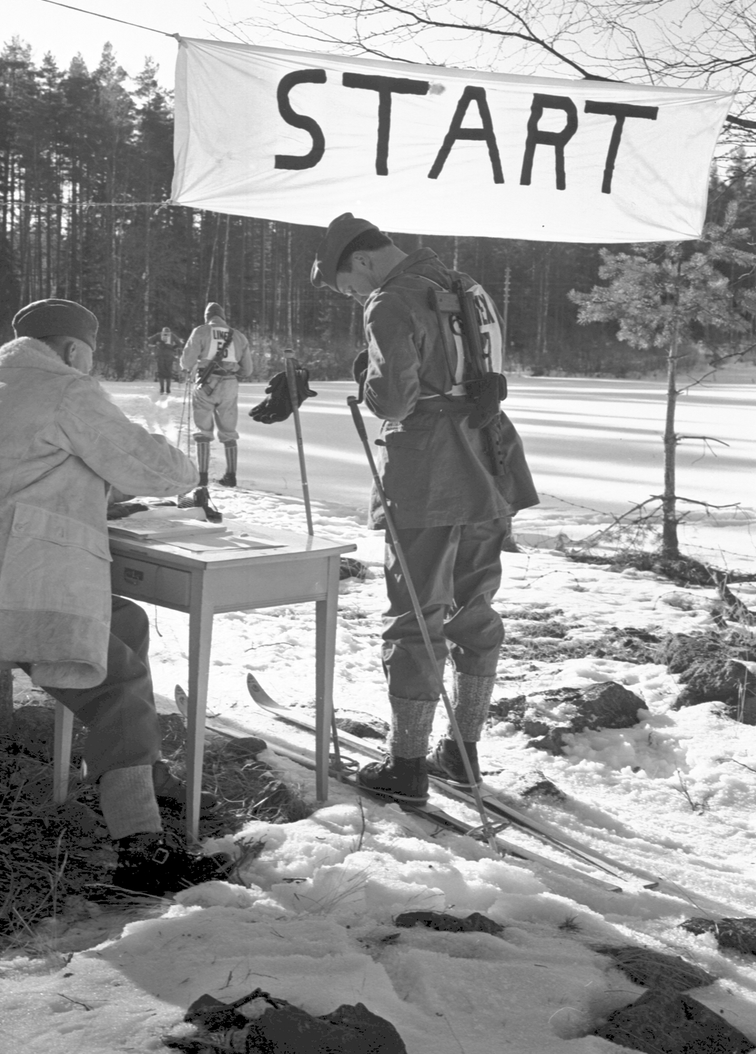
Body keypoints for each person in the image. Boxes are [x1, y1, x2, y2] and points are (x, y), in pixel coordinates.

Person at [0, 298, 229, 896]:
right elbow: (149, 463)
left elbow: (34, 469)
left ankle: (138, 772)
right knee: (118, 680)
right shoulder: (64, 387)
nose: (90, 369)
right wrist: (192, 471)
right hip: (14, 593)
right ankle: (141, 849)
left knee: (127, 623)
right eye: (88, 358)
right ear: (71, 350)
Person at [310, 214, 538, 806]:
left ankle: (407, 766)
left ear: (361, 261)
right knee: (474, 607)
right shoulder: (466, 284)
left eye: (346, 286)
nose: (353, 296)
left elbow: (393, 398)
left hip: (429, 470)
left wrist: (366, 376)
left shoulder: (391, 299)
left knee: (415, 610)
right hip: (490, 458)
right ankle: (463, 754)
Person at [179, 303, 254, 487]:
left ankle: (202, 476)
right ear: (223, 317)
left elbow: (186, 362)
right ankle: (231, 476)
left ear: (207, 317)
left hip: (205, 384)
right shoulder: (238, 335)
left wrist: (190, 366)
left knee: (203, 430)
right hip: (229, 384)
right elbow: (248, 370)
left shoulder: (201, 331)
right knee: (229, 431)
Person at [147, 325, 182, 395]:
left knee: (161, 372)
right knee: (168, 371)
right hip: (169, 355)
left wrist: (155, 345)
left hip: (160, 355)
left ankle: (162, 389)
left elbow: (149, 340)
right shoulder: (172, 335)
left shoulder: (158, 335)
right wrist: (174, 347)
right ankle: (168, 389)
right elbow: (180, 343)